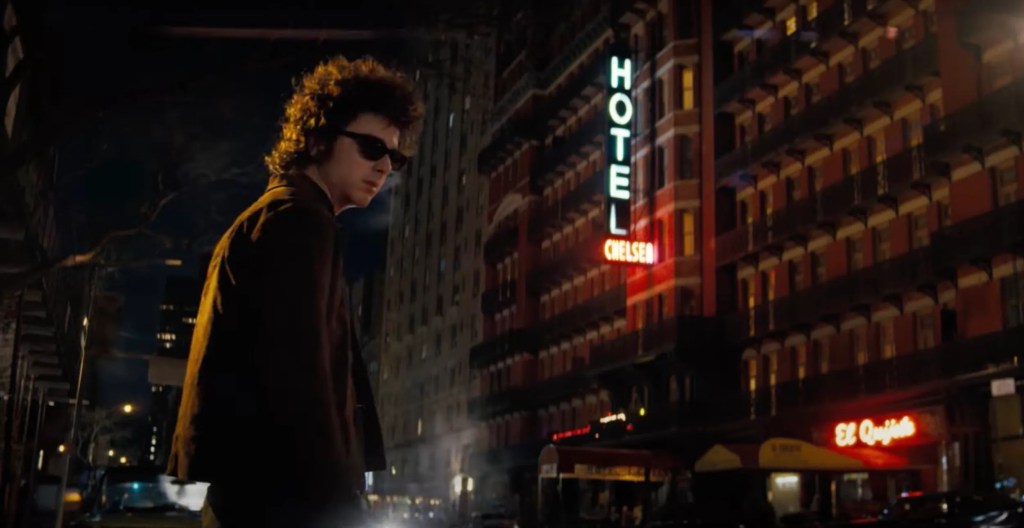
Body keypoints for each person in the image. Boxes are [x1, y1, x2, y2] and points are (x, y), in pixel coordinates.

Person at [167, 55, 424, 528]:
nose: (386, 166)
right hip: (283, 498)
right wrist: (337, 507)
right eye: (371, 147)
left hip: (260, 491)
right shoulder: (299, 222)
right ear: (317, 138)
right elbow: (300, 381)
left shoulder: (277, 217)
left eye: (395, 156)